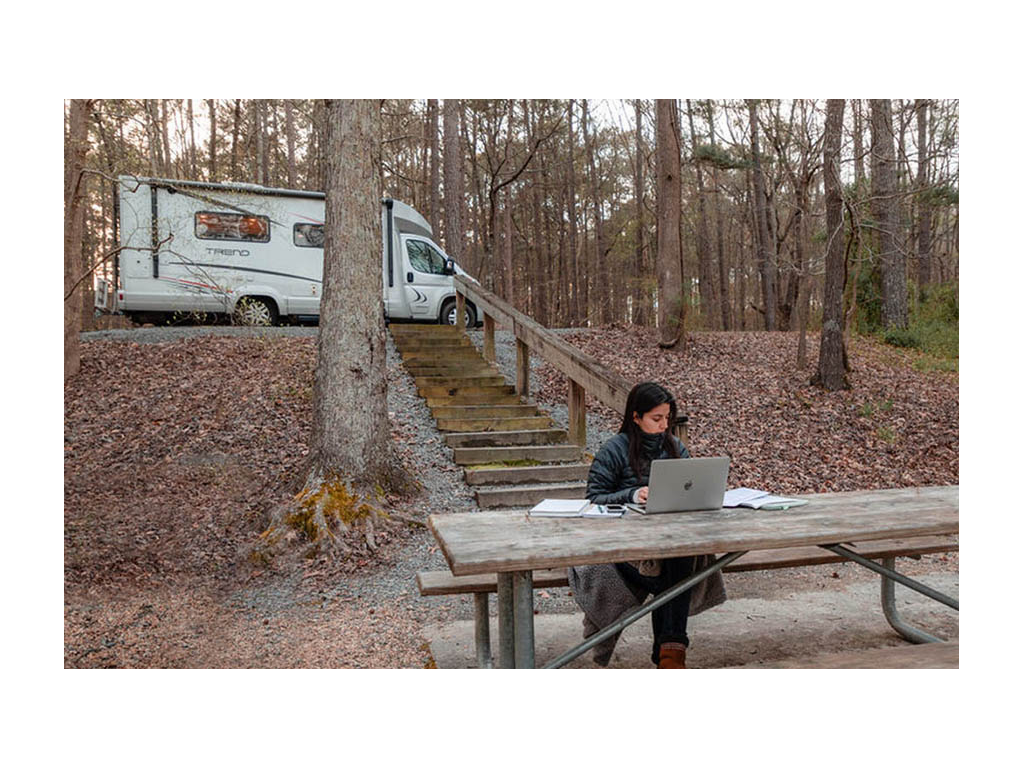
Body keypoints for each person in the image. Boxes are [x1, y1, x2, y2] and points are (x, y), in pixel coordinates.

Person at [567, 381, 726, 668]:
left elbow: (690, 489)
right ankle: (670, 655)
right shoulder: (614, 450)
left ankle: (668, 655)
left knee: (680, 559)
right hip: (627, 548)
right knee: (678, 576)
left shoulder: (675, 447)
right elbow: (593, 498)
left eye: (667, 418)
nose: (664, 425)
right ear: (635, 417)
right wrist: (632, 494)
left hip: (670, 541)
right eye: (657, 418)